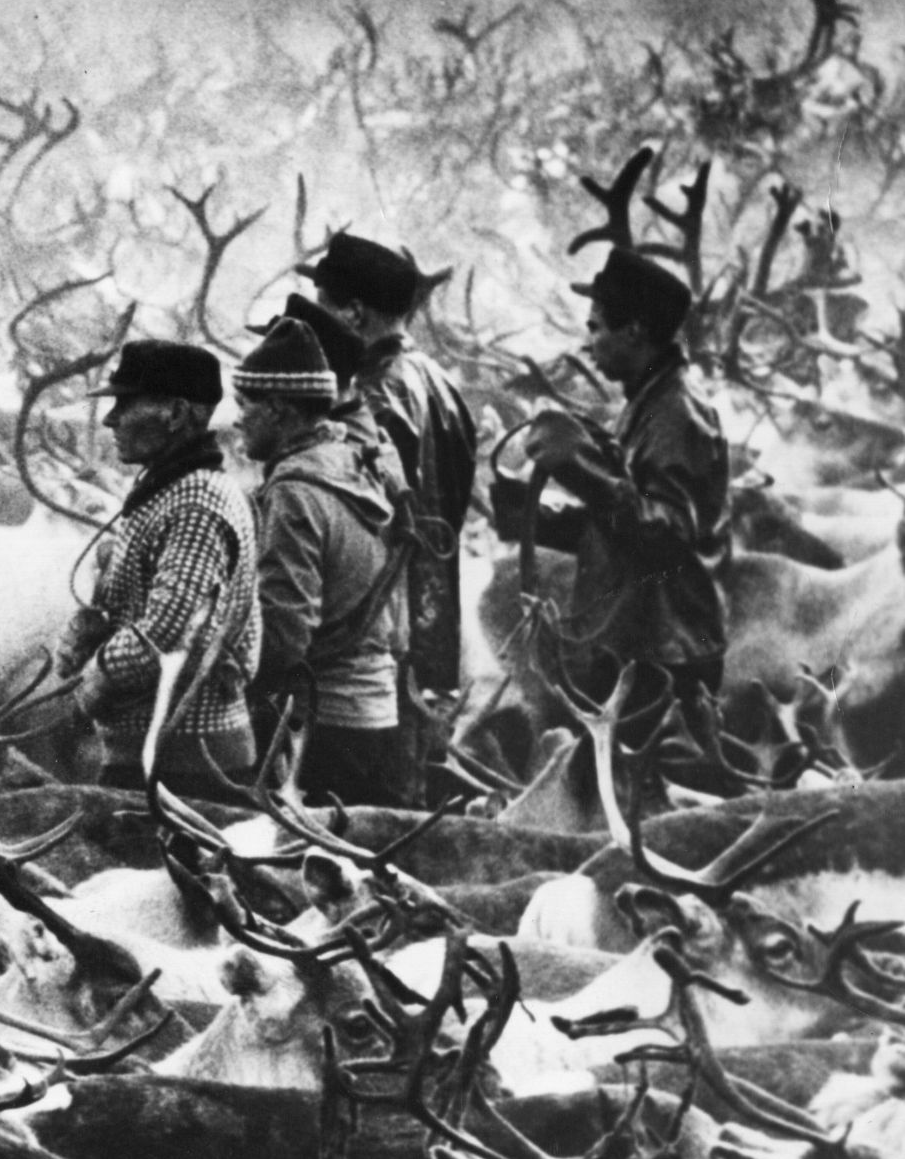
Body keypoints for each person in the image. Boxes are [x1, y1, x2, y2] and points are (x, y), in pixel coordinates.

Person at [490, 245, 737, 800]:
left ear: (635, 332)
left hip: (665, 657)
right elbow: (623, 526)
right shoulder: (650, 401)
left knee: (645, 809)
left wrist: (580, 469)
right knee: (615, 800)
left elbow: (668, 536)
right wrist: (536, 521)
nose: (589, 342)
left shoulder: (675, 412)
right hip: (643, 644)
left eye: (597, 327)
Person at [302, 232, 478, 802]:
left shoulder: (375, 394)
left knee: (359, 816)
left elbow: (359, 517)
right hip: (430, 632)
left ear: (352, 312)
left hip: (372, 634)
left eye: (323, 307)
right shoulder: (439, 381)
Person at [51, 339, 260, 793]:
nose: (110, 419)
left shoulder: (196, 504)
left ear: (177, 413)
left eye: (125, 404)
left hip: (183, 766)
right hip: (163, 754)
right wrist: (92, 625)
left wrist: (91, 685)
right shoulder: (171, 491)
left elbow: (166, 633)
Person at [232, 319, 412, 806]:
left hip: (322, 731)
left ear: (276, 410)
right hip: (376, 716)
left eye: (244, 405)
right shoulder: (356, 465)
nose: (236, 419)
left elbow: (284, 633)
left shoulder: (294, 492)